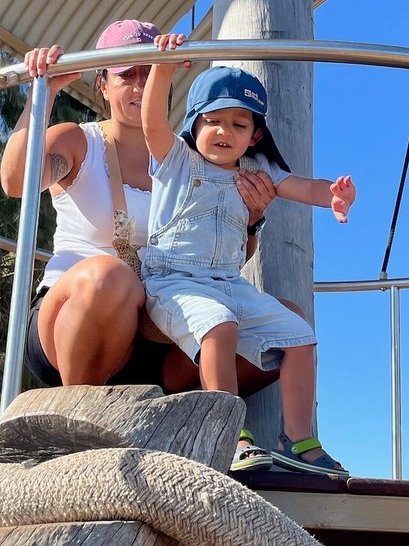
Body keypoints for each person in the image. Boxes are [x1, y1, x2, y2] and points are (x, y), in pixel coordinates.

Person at [0, 20, 279, 423]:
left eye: (148, 71)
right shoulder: (80, 142)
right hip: (74, 322)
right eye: (126, 74)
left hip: (157, 332)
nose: (138, 84)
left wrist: (250, 222)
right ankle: (75, 423)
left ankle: (192, 427)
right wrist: (44, 92)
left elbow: (226, 260)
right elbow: (15, 181)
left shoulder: (193, 163)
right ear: (103, 85)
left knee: (283, 331)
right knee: (108, 277)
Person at [140, 32, 355, 478]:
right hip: (174, 278)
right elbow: (152, 125)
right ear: (195, 123)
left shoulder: (259, 171)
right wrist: (162, 70)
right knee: (218, 324)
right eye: (214, 121)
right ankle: (231, 434)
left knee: (300, 335)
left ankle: (298, 439)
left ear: (255, 134)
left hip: (229, 283)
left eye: (239, 125)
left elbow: (301, 186)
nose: (224, 132)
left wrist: (333, 196)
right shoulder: (177, 160)